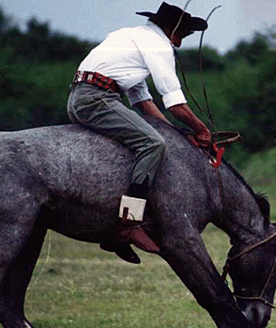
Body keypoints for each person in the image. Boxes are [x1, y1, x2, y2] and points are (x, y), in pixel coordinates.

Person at [67, 2, 212, 263]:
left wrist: (176, 135)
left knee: (156, 140)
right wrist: (201, 130)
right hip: (98, 100)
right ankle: (129, 223)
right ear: (171, 29)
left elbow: (142, 101)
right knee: (153, 146)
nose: (179, 43)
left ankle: (117, 231)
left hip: (81, 98)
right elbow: (175, 103)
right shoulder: (158, 45)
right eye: (182, 35)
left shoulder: (131, 37)